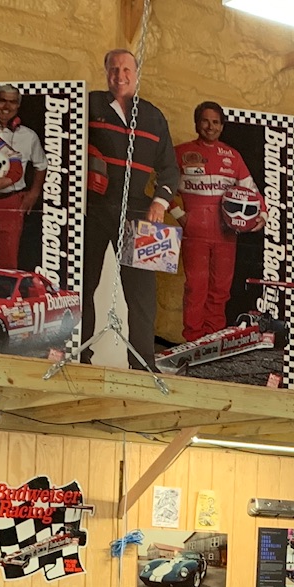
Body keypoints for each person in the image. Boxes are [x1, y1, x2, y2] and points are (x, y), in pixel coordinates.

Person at [83, 48, 180, 366]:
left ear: (137, 75)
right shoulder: (89, 104)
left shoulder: (153, 116)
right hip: (93, 208)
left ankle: (142, 363)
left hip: (140, 210)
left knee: (141, 296)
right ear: (105, 72)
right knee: (83, 284)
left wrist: (160, 202)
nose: (119, 76)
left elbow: (170, 169)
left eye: (126, 69)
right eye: (113, 69)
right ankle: (80, 355)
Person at [175, 101, 258, 342]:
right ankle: (192, 339)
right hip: (195, 231)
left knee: (221, 289)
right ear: (196, 123)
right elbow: (163, 185)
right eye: (205, 121)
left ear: (222, 126)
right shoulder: (180, 152)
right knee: (195, 288)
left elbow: (251, 191)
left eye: (215, 122)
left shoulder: (232, 155)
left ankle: (213, 340)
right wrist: (181, 216)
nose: (210, 127)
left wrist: (260, 216)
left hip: (226, 231)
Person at [0, 84, 45, 272]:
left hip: (11, 202)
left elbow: (41, 165)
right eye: (2, 100)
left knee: (7, 260)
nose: (7, 106)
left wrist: (34, 193)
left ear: (18, 106)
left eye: (13, 102)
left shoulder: (28, 135)